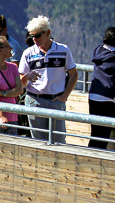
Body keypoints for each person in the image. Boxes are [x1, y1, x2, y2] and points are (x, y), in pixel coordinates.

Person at [18, 15, 76, 144]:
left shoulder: (63, 50)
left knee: (59, 141)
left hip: (56, 100)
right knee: (38, 142)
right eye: (32, 36)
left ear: (48, 32)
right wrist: (26, 77)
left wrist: (64, 96)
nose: (34, 39)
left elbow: (73, 74)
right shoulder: (28, 53)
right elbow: (20, 81)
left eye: (37, 35)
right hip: (34, 101)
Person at [88, 26, 115, 150]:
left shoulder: (97, 51)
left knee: (95, 133)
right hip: (107, 99)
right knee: (103, 136)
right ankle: (95, 162)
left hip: (93, 96)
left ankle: (89, 157)